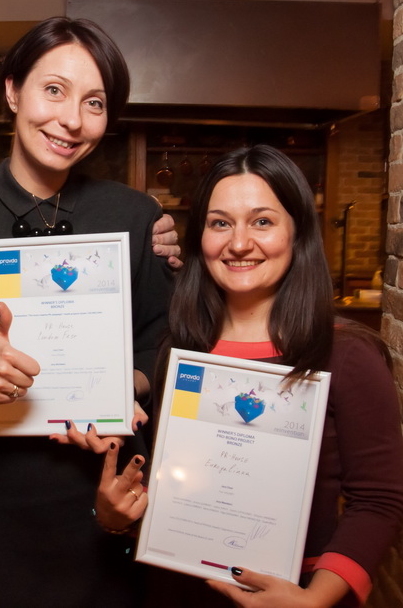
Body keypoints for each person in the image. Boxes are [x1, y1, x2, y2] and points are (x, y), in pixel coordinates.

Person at [0, 17, 175, 606]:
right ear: (13, 91)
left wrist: (118, 386)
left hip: (106, 496)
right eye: (54, 90)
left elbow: (161, 344)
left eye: (94, 102)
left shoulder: (134, 216)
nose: (72, 120)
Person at [99, 144, 403, 607]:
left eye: (262, 221)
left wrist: (316, 599)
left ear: (297, 232)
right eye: (220, 223)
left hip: (294, 594)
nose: (239, 243)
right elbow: (177, 485)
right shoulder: (178, 350)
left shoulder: (346, 353)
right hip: (177, 591)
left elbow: (379, 501)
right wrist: (117, 515)